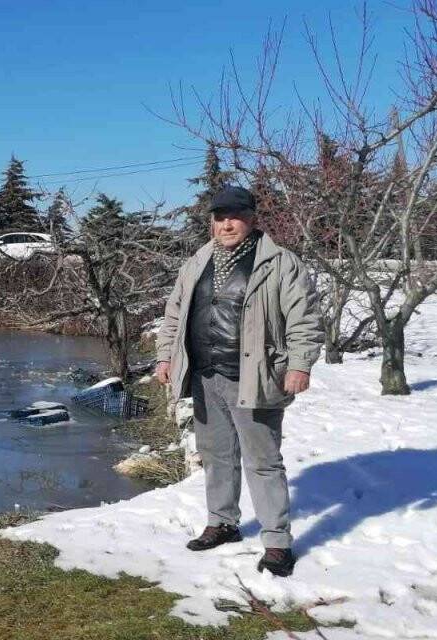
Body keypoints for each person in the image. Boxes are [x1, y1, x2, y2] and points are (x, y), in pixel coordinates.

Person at [153, 185, 322, 577]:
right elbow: (175, 314)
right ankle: (222, 522)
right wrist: (166, 356)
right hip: (204, 374)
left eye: (235, 216)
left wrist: (299, 365)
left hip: (255, 377)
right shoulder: (197, 261)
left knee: (263, 462)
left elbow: (304, 319)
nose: (227, 224)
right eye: (220, 217)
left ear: (252, 218)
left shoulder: (279, 262)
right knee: (216, 457)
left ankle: (277, 542)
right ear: (212, 221)